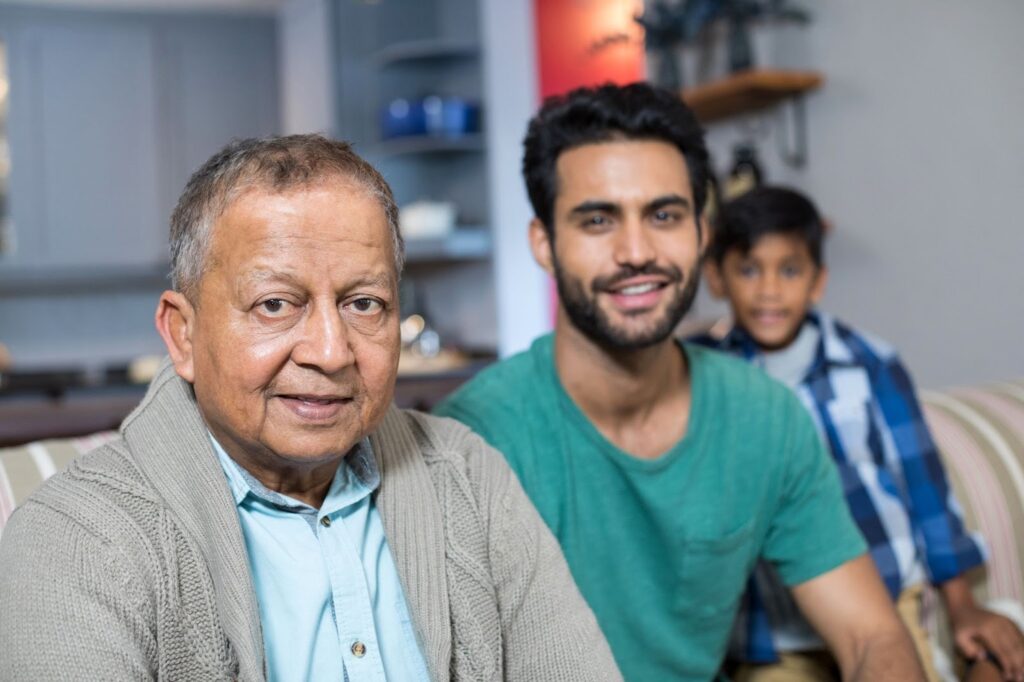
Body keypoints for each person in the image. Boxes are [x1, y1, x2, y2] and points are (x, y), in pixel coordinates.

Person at [0, 135, 620, 681]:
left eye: (364, 303)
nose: (330, 352)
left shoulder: (469, 476)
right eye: (275, 304)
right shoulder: (74, 540)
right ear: (183, 335)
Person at [435, 82, 925, 681]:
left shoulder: (763, 418)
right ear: (545, 243)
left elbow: (872, 634)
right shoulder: (473, 444)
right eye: (598, 220)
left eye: (664, 215)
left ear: (700, 232)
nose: (636, 251)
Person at [694, 185, 1024, 681]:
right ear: (717, 279)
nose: (768, 289)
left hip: (885, 600)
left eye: (789, 269)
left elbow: (927, 491)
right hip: (775, 632)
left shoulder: (871, 364)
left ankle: (976, 661)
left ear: (818, 280)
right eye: (748, 269)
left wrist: (962, 608)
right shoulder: (704, 379)